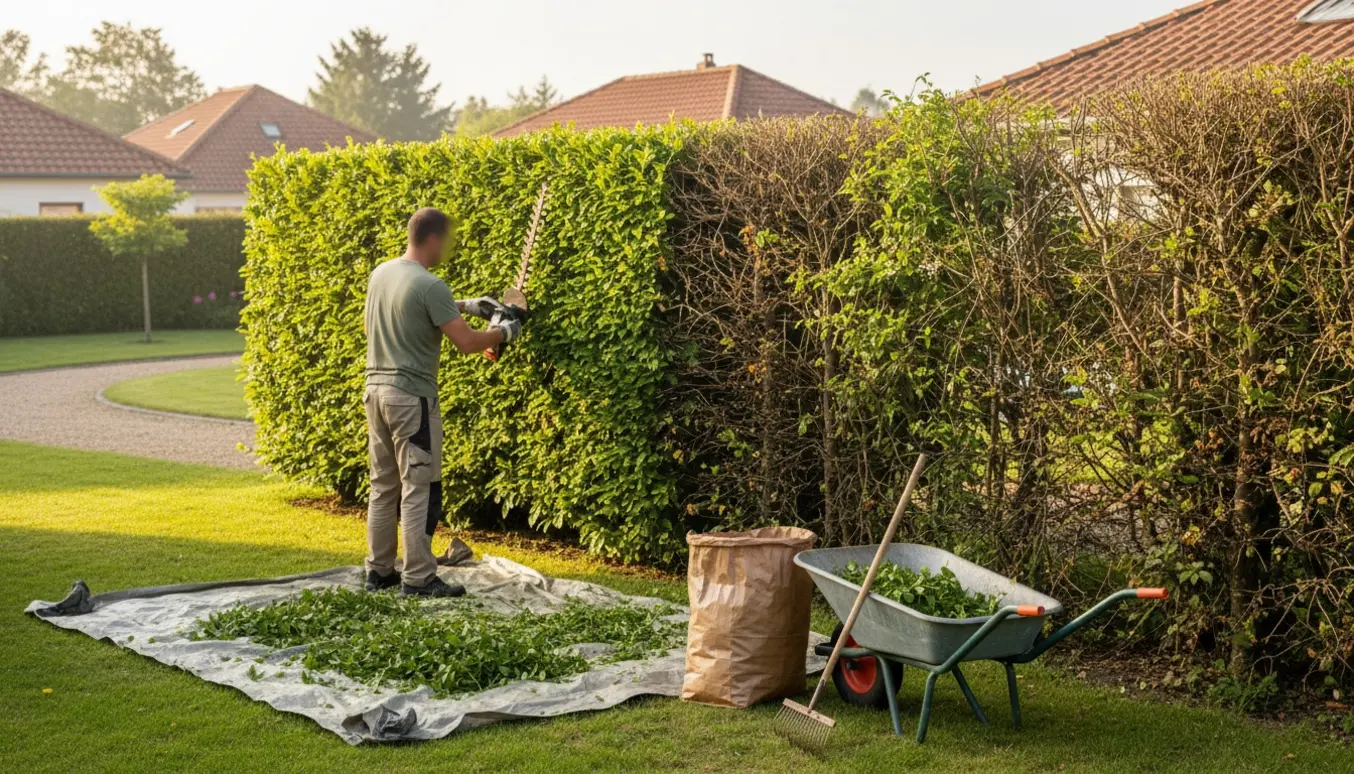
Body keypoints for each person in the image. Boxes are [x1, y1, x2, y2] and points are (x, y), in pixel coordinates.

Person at [362, 207, 520, 597]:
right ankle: (417, 578)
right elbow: (467, 343)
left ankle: (379, 572)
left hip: (375, 392)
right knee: (417, 486)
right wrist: (503, 332)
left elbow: (410, 308)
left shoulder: (382, 273)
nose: (448, 248)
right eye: (447, 240)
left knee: (383, 485)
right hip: (411, 399)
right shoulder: (431, 285)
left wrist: (467, 305)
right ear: (433, 238)